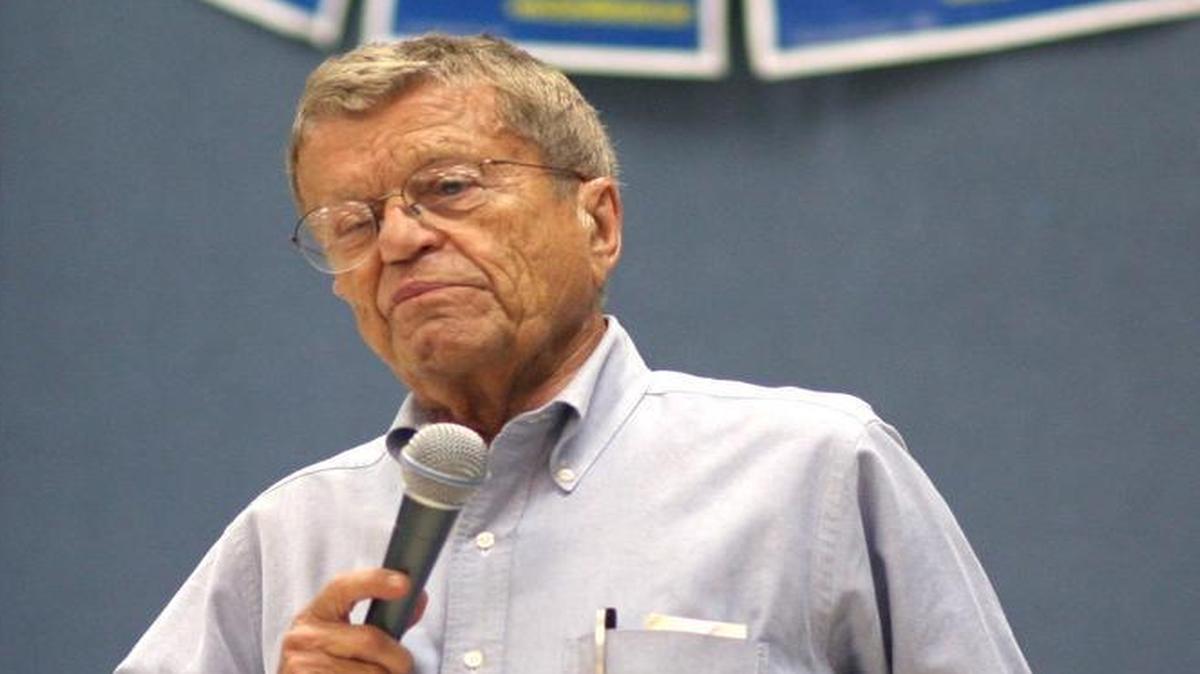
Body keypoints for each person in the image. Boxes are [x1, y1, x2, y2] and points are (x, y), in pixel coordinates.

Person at [117, 34, 1030, 674]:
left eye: (449, 187)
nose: (398, 239)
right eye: (350, 222)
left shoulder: (813, 473)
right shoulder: (288, 537)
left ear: (596, 220)